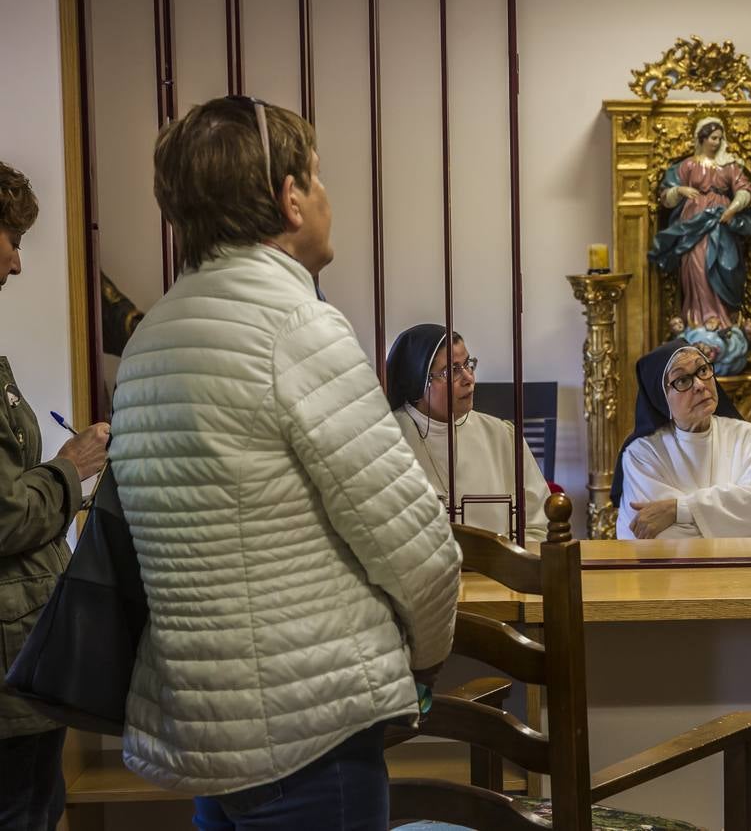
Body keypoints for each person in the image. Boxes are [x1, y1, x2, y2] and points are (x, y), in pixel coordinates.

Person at [108, 97, 461, 830]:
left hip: (211, 729)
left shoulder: (151, 340)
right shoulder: (294, 325)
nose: (327, 198)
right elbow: (416, 548)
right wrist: (424, 662)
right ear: (290, 198)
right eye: (319, 178)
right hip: (310, 734)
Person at [0, 162, 110, 831]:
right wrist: (71, 469)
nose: (15, 262)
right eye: (10, 237)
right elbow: (6, 515)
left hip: (22, 650)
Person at [611, 341, 751, 539]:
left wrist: (678, 510)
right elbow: (662, 540)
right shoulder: (642, 455)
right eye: (682, 380)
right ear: (661, 397)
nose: (700, 385)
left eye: (702, 370)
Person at [386, 324, 549, 542]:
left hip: (498, 572)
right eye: (452, 371)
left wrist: (509, 564)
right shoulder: (384, 441)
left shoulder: (502, 436)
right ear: (417, 382)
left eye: (468, 365)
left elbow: (539, 525)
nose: (469, 378)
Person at [648, 117, 751, 375]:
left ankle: (723, 320)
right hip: (693, 230)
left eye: (720, 138)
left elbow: (745, 191)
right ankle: (696, 319)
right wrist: (681, 191)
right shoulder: (687, 166)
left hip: (720, 226)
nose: (717, 142)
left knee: (725, 266)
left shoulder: (729, 166)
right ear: (702, 139)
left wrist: (732, 208)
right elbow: (666, 196)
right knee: (696, 272)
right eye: (713, 137)